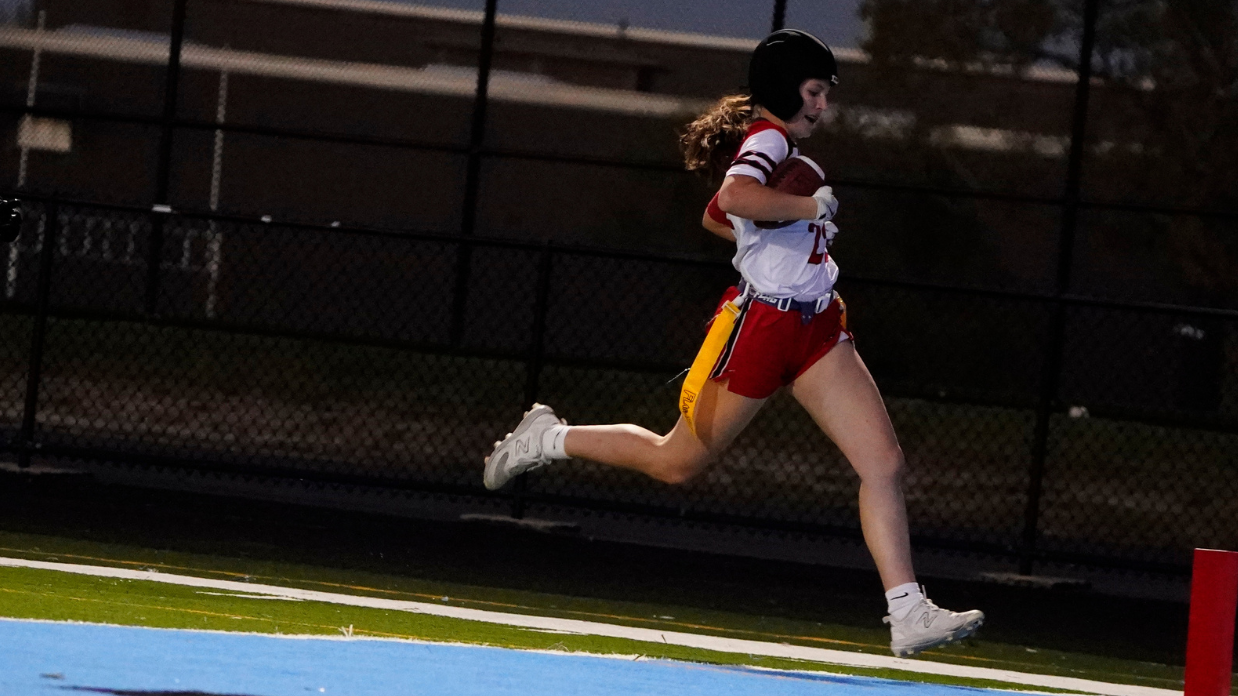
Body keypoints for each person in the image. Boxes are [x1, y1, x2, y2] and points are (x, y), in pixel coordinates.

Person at [483, 29, 983, 658]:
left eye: (825, 92)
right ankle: (548, 437)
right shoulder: (769, 138)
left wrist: (768, 236)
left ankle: (907, 612)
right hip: (766, 327)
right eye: (814, 91)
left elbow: (717, 219)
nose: (823, 105)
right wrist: (802, 208)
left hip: (817, 323)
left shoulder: (780, 144)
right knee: (676, 462)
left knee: (883, 463)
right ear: (783, 89)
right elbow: (732, 198)